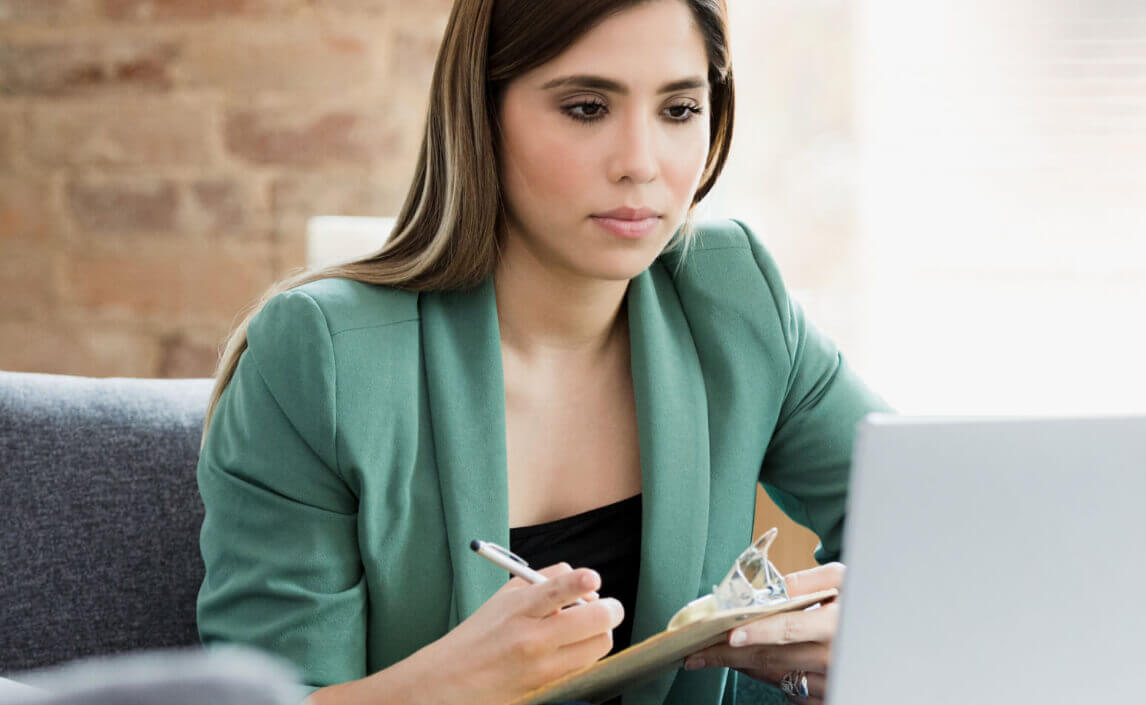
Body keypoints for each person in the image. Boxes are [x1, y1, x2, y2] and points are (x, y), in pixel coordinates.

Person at [192, 1, 890, 704]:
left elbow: (939, 525)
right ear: (482, 115)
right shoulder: (320, 357)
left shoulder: (732, 292)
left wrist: (854, 639)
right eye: (587, 108)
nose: (640, 164)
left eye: (678, 109)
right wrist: (451, 683)